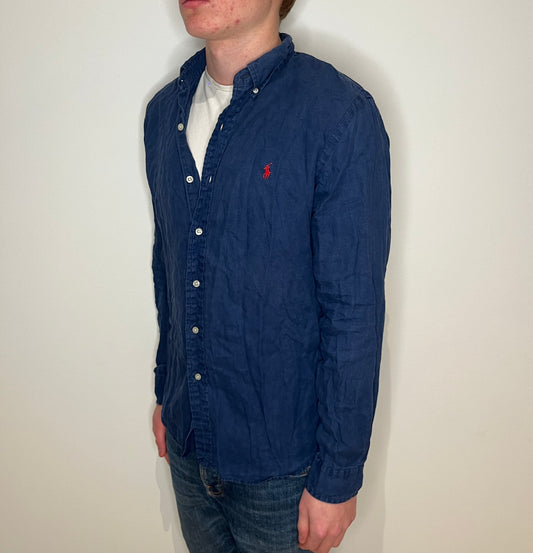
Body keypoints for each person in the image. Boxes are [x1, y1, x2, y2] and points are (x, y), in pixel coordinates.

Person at [144, 0, 390, 551]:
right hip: (187, 442)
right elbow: (170, 267)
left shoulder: (338, 115)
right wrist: (167, 391)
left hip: (285, 472)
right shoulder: (164, 113)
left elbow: (353, 312)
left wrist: (338, 476)